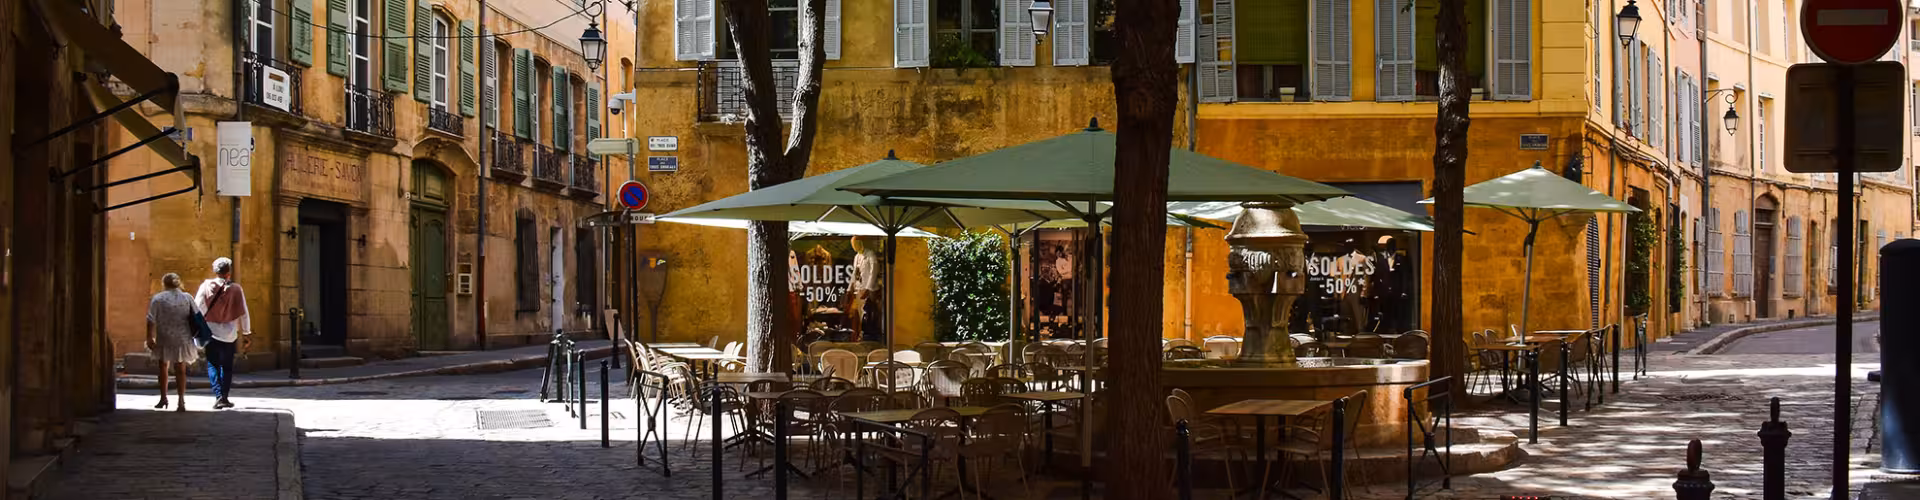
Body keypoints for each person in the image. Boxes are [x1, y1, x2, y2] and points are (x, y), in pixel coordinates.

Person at [195, 257, 252, 409]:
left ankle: (219, 396)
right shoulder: (236, 289)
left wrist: (199, 325)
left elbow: (197, 307)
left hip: (211, 332)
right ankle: (225, 397)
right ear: (229, 271)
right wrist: (246, 332)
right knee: (227, 366)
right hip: (230, 333)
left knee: (213, 364)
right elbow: (244, 312)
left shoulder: (206, 286)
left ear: (216, 271)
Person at [146, 273, 197, 411]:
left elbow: (150, 319)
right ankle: (181, 401)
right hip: (183, 337)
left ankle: (163, 398)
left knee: (163, 367)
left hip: (164, 337)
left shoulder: (158, 298)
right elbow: (197, 315)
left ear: (164, 284)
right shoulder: (187, 298)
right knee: (181, 369)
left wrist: (149, 337)